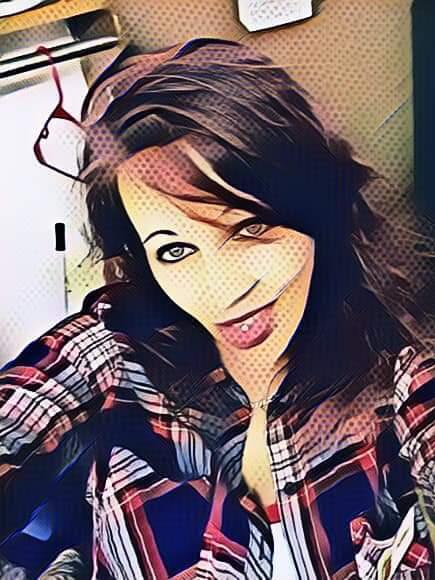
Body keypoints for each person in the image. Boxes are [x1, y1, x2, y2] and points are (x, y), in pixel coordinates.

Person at [0, 37, 434, 579]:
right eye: (174, 251)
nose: (223, 290)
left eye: (251, 228)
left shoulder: (400, 364)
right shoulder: (115, 351)